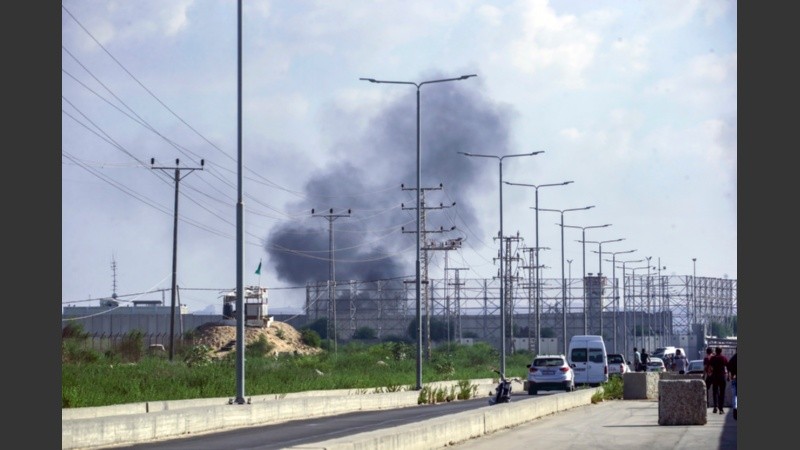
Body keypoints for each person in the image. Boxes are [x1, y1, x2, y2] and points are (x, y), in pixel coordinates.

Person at [709, 347, 729, 414]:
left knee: (715, 392)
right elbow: (728, 367)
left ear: (716, 351)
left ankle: (715, 407)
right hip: (722, 377)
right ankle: (721, 409)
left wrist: (711, 374)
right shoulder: (724, 358)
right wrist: (728, 376)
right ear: (721, 351)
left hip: (715, 377)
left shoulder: (713, 358)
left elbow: (710, 368)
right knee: (722, 393)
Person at [727, 349, 737, 420]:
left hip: (735, 378)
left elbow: (728, 367)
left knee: (735, 396)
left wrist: (730, 375)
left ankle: (735, 409)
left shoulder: (733, 358)